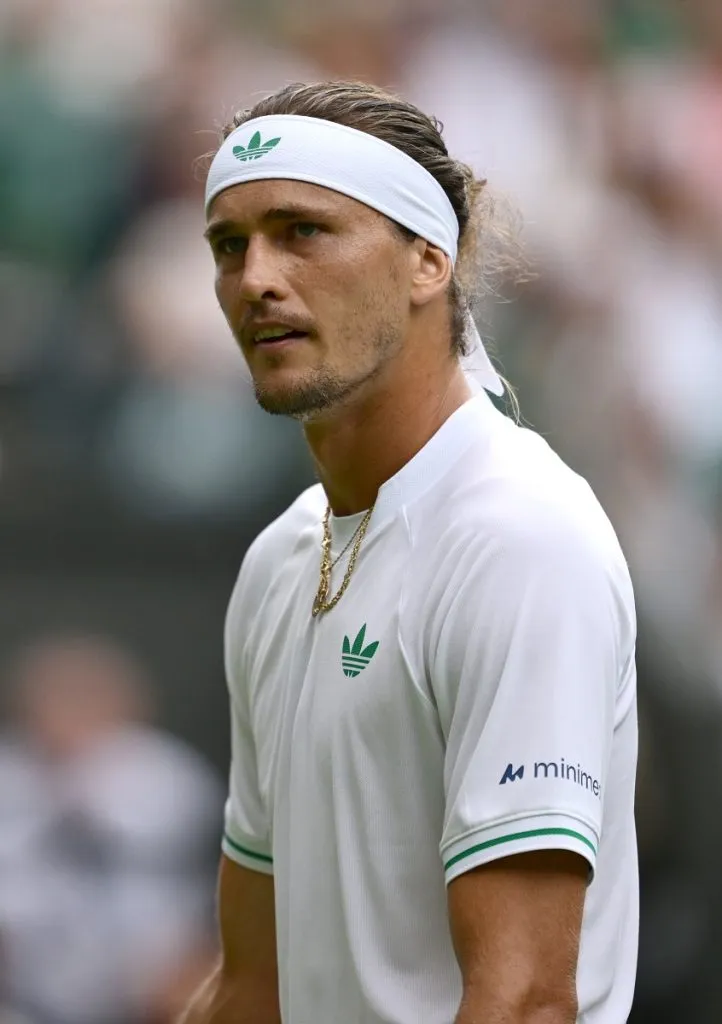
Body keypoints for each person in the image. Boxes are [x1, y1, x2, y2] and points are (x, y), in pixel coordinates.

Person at [181, 80, 638, 1024]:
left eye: (302, 231)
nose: (256, 276)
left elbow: (522, 1002)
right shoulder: (280, 560)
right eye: (231, 245)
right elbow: (252, 988)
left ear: (430, 261)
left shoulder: (519, 539)